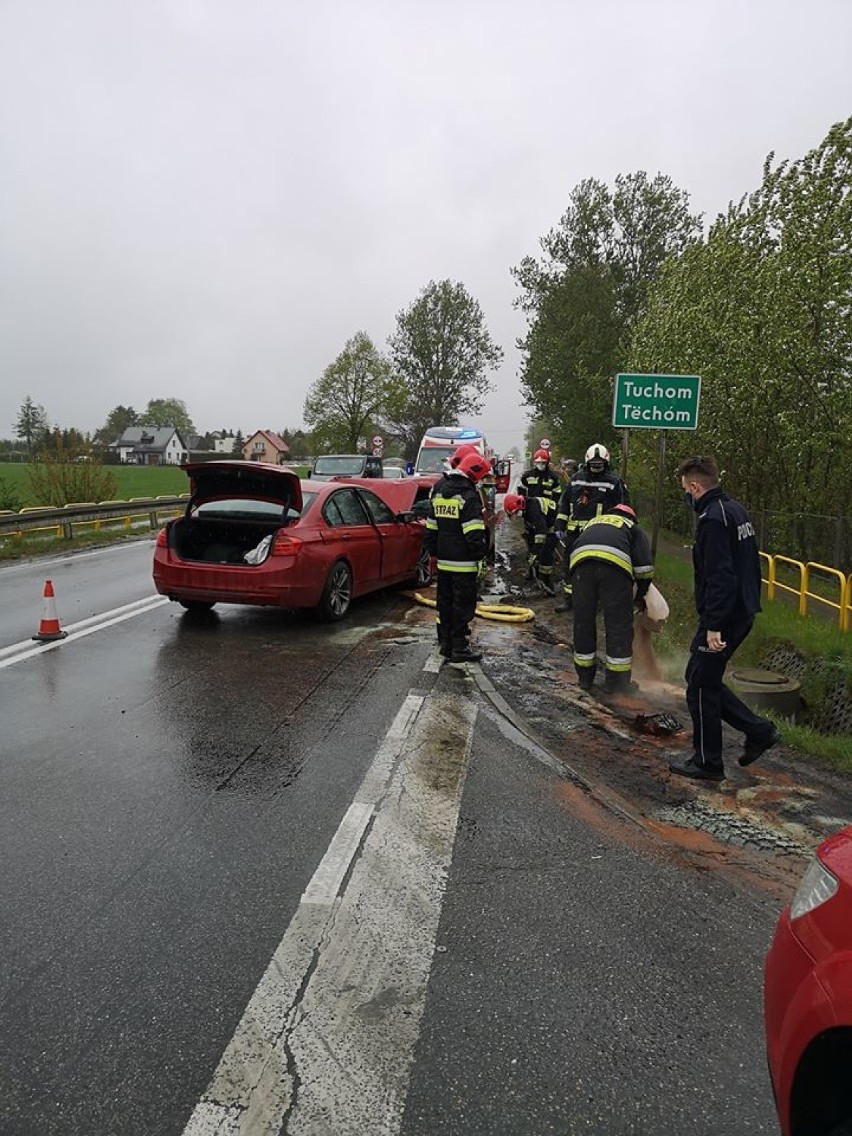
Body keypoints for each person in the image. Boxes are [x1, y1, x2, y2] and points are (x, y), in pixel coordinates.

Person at [669, 456, 780, 782]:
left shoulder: (713, 519)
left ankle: (708, 762)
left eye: (686, 490)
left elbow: (720, 576)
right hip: (741, 609)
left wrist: (714, 625)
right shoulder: (735, 510)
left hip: (726, 616)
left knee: (700, 687)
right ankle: (759, 731)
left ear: (695, 486)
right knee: (701, 677)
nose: (686, 496)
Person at [568, 503, 654, 693]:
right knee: (618, 625)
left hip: (580, 565)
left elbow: (573, 544)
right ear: (631, 517)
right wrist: (640, 595)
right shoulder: (632, 528)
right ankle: (617, 685)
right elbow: (644, 569)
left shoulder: (592, 522)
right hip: (613, 569)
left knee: (583, 621)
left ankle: (584, 678)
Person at [424, 451, 492, 664]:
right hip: (464, 563)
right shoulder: (468, 496)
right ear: (474, 474)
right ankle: (459, 648)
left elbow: (431, 528)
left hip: (444, 560)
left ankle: (446, 645)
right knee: (462, 605)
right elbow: (473, 533)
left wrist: (433, 554)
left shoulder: (440, 490)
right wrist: (481, 557)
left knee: (445, 602)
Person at [553, 443, 630, 613]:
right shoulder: (576, 480)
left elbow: (624, 508)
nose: (596, 467)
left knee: (598, 567)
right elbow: (564, 504)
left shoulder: (614, 482)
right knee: (569, 565)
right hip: (575, 534)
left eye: (599, 464)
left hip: (600, 533)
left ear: (606, 463)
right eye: (593, 464)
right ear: (587, 462)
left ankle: (596, 602)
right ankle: (569, 599)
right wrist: (559, 524)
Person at [503, 492, 558, 595]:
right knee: (534, 550)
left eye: (515, 513)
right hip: (545, 522)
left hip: (554, 524)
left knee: (545, 552)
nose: (514, 516)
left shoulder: (533, 509)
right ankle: (535, 576)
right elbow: (531, 527)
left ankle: (547, 581)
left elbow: (541, 533)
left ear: (520, 507)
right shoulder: (526, 509)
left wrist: (535, 553)